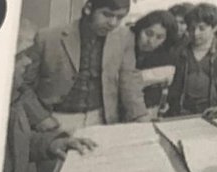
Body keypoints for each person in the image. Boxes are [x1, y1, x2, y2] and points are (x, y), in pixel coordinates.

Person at [0, 23, 96, 172]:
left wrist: (52, 143)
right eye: (20, 56)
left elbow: (17, 142)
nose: (28, 62)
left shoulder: (14, 98)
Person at [32, 0, 149, 135]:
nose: (113, 23)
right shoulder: (47, 37)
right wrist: (40, 117)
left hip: (101, 120)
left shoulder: (124, 37)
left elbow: (129, 81)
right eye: (107, 14)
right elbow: (23, 86)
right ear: (88, 8)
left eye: (120, 17)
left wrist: (141, 116)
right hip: (56, 119)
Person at [167, 3, 217, 116]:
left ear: (214, 27)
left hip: (214, 114)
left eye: (202, 28)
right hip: (181, 115)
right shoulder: (178, 52)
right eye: (192, 28)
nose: (196, 33)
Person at [131, 10, 179, 110]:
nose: (151, 41)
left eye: (159, 37)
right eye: (148, 33)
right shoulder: (124, 48)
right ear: (140, 29)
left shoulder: (167, 58)